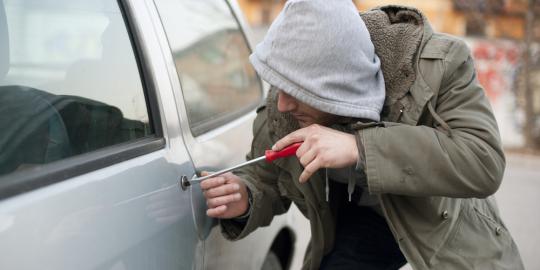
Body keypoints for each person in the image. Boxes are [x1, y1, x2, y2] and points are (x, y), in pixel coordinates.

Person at [201, 1, 524, 269]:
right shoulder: (285, 101)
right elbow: (269, 176)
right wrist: (246, 196)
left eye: (298, 92)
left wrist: (360, 147)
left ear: (336, 84)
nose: (282, 104)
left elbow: (482, 162)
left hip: (441, 221)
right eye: (279, 86)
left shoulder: (440, 64)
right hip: (361, 223)